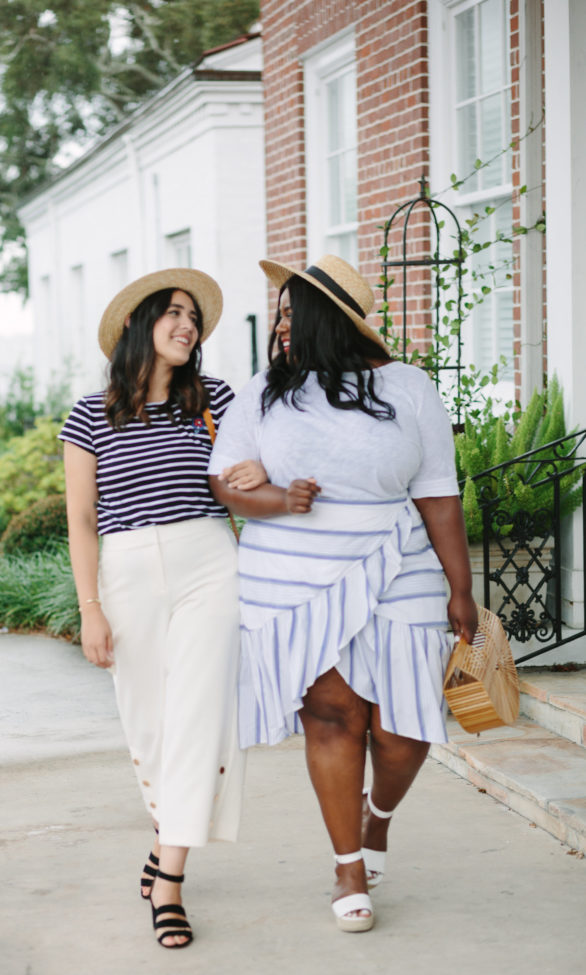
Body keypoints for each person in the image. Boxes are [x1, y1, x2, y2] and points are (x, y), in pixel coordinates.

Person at [208, 254, 478, 933]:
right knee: (331, 718)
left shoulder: (407, 386)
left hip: (398, 563)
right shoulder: (267, 389)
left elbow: (438, 491)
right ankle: (348, 864)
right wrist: (274, 496)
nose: (285, 323)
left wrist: (461, 587)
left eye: (298, 312)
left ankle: (377, 818)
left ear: (332, 320)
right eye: (284, 312)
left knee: (402, 729)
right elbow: (224, 481)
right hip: (295, 574)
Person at [59, 269, 265, 949]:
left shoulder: (217, 399)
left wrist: (254, 474)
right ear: (136, 326)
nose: (187, 325)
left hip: (209, 559)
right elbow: (82, 521)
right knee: (150, 726)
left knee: (200, 716)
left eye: (193, 318)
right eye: (173, 313)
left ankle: (170, 878)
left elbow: (248, 471)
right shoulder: (90, 414)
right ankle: (165, 841)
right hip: (124, 569)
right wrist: (90, 608)